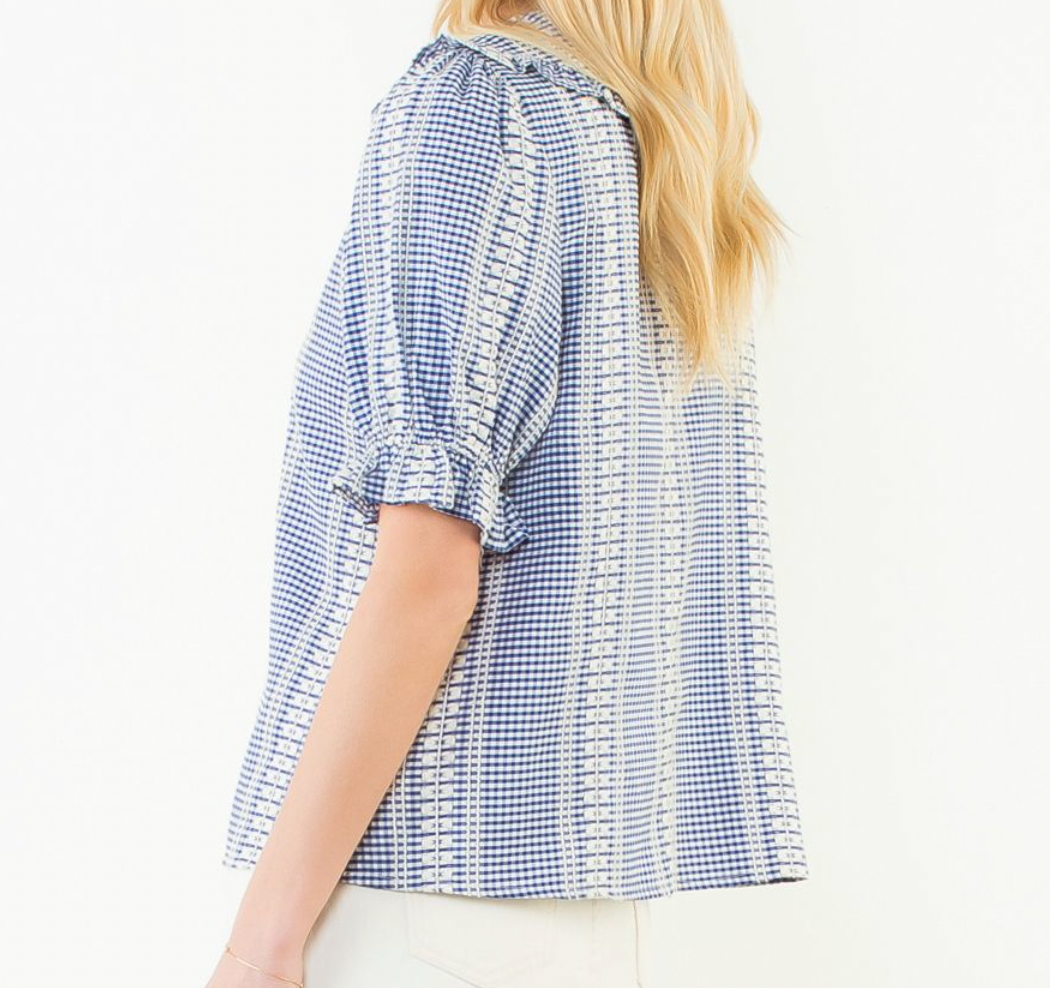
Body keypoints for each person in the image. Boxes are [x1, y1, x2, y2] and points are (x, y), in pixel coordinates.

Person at [206, 3, 809, 986]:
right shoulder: (646, 142)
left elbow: (427, 567)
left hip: (412, 890)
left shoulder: (472, 106)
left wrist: (259, 940)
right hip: (579, 916)